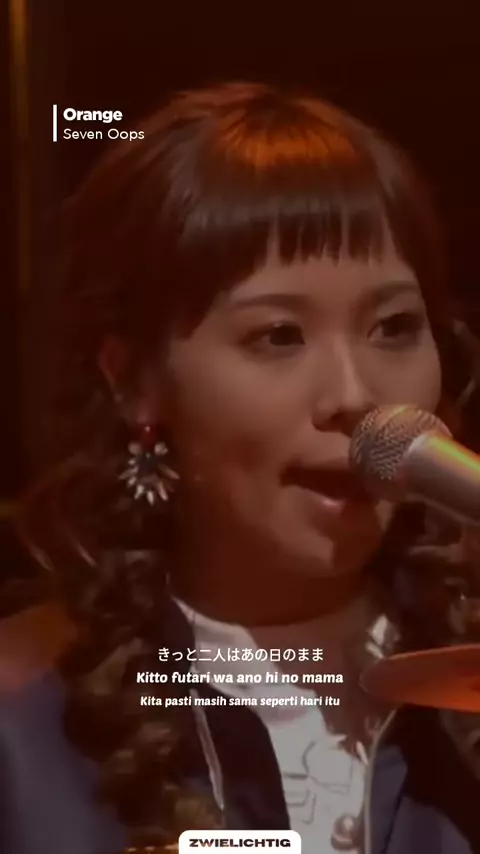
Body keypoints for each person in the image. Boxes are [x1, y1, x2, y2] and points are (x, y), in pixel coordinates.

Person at [3, 81, 480, 854]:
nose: (354, 394)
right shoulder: (22, 722)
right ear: (132, 379)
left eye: (393, 327)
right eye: (279, 336)